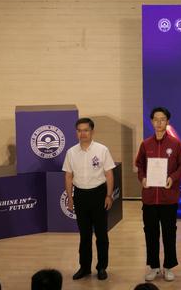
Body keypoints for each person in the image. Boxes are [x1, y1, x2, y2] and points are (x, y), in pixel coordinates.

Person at [136, 107, 181, 282]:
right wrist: (143, 178)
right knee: (150, 233)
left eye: (163, 119)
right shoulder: (145, 144)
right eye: (156, 119)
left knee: (169, 233)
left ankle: (168, 267)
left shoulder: (175, 144)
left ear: (168, 122)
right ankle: (153, 266)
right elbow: (139, 165)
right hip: (150, 198)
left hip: (169, 198)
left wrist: (172, 178)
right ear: (152, 122)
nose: (159, 123)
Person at [63, 117, 115, 281]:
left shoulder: (102, 150)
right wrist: (70, 198)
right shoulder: (71, 152)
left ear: (92, 131)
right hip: (80, 196)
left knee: (101, 235)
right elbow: (68, 176)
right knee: (84, 235)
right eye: (79, 131)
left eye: (86, 130)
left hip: (99, 195)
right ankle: (84, 267)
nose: (82, 133)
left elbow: (109, 174)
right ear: (76, 132)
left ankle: (101, 267)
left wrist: (108, 195)